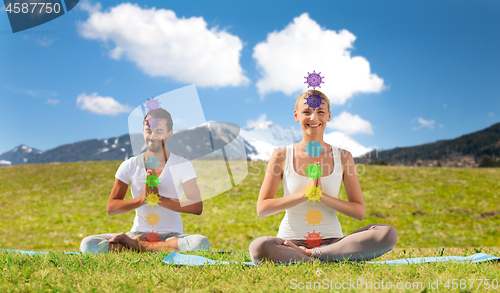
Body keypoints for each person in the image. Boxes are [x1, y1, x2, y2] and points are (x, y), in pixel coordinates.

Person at [249, 90, 397, 264]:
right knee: (259, 247)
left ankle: (313, 256)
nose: (314, 118)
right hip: (289, 243)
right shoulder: (281, 155)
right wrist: (305, 194)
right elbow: (262, 208)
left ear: (328, 116)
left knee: (387, 233)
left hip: (333, 242)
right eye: (306, 112)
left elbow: (359, 212)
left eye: (320, 112)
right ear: (296, 115)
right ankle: (331, 259)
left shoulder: (343, 156)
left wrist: (321, 196)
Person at [80, 107, 210, 253]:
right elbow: (111, 207)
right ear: (143, 131)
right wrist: (143, 199)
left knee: (201, 242)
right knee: (88, 244)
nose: (152, 135)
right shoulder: (129, 165)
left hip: (172, 236)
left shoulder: (182, 165)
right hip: (138, 234)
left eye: (159, 131)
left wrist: (158, 199)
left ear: (169, 134)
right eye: (148, 130)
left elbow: (196, 206)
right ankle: (153, 247)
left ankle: (136, 247)